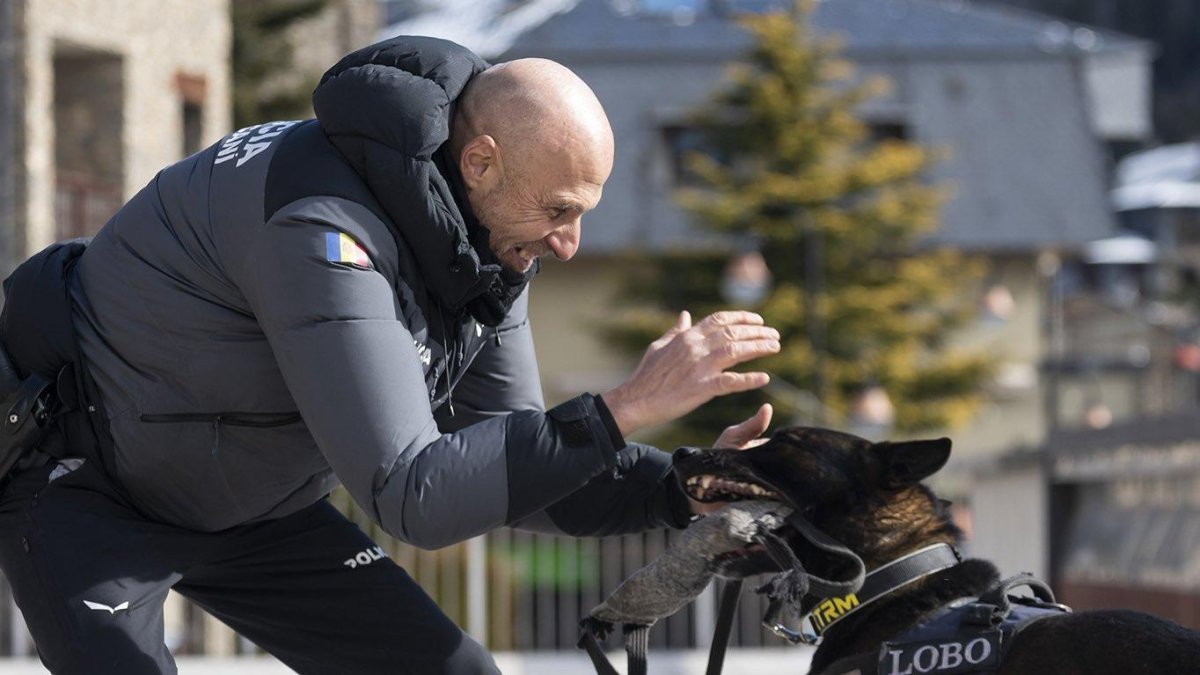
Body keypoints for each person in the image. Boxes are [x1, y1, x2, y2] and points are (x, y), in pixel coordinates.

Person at [0, 37, 780, 674]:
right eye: (560, 210)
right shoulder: (322, 231)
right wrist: (626, 403)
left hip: (253, 508)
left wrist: (681, 485)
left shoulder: (485, 246)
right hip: (89, 488)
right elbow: (416, 495)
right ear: (480, 163)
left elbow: (524, 471)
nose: (568, 244)